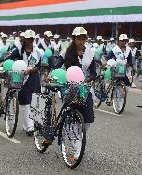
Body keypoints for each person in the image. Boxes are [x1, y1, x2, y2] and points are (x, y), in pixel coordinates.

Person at [56, 27, 96, 159]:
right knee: (71, 118)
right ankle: (76, 145)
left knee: (88, 119)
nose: (81, 41)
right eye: (79, 38)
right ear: (74, 39)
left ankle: (78, 136)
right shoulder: (66, 52)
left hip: (84, 89)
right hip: (69, 89)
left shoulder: (90, 53)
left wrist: (87, 79)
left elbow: (94, 72)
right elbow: (56, 66)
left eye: (83, 38)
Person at [6, 29, 41, 136]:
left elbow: (38, 66)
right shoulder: (19, 50)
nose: (30, 40)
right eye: (28, 38)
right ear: (24, 39)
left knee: (35, 101)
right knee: (25, 102)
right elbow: (10, 59)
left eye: (32, 39)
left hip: (34, 78)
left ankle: (32, 124)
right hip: (21, 79)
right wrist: (1, 65)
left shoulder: (37, 52)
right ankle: (29, 126)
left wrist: (30, 70)